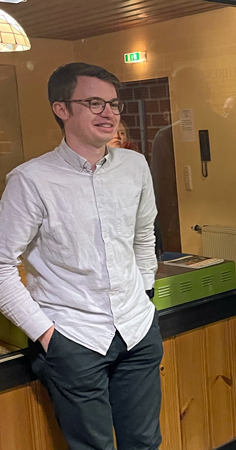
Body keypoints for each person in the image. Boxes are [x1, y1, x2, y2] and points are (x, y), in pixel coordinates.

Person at [0, 62, 163, 450]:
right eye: (94, 103)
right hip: (74, 338)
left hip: (137, 330)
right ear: (61, 109)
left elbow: (144, 238)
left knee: (144, 443)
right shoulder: (31, 180)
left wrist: (145, 294)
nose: (109, 113)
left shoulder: (135, 166)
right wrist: (47, 335)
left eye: (113, 103)